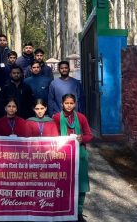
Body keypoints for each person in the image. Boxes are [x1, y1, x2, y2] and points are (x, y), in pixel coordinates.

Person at [53, 94, 93, 222]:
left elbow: (89, 135)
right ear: (62, 104)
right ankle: (63, 210)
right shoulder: (56, 118)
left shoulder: (81, 117)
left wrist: (82, 138)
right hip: (63, 155)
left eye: (71, 103)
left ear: (75, 104)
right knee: (63, 183)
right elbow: (53, 136)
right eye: (66, 103)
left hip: (80, 154)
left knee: (81, 184)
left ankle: (79, 212)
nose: (69, 106)